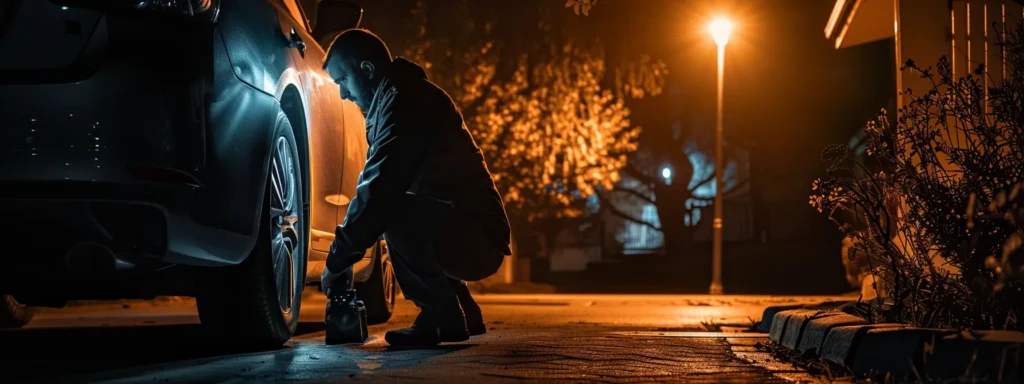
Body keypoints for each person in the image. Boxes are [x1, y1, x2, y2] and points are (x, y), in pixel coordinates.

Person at [319, 29, 512, 347]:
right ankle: (461, 310)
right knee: (405, 204)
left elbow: (380, 190)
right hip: (473, 232)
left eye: (343, 81)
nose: (343, 95)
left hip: (479, 240)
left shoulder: (406, 100)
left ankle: (439, 316)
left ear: (366, 70)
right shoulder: (393, 101)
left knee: (392, 208)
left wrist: (338, 260)